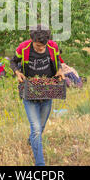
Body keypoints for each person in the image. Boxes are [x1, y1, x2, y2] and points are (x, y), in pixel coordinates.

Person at [10, 25, 64, 166]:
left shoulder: (53, 47)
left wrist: (59, 70)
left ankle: (31, 141)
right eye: (38, 46)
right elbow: (13, 61)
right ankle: (40, 165)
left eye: (43, 46)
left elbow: (58, 60)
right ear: (32, 39)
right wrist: (17, 72)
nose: (41, 48)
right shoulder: (24, 48)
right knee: (36, 130)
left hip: (47, 92)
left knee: (41, 127)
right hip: (30, 92)